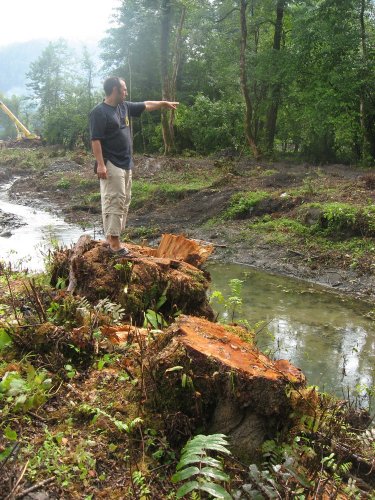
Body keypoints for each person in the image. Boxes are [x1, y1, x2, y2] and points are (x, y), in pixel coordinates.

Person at [89, 76, 179, 256]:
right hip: (110, 162)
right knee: (114, 199)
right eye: (124, 89)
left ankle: (114, 237)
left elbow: (146, 105)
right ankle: (114, 244)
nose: (126, 92)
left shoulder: (124, 106)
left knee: (124, 200)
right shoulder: (99, 112)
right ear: (114, 90)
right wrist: (100, 165)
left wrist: (162, 103)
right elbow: (95, 140)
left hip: (126, 162)